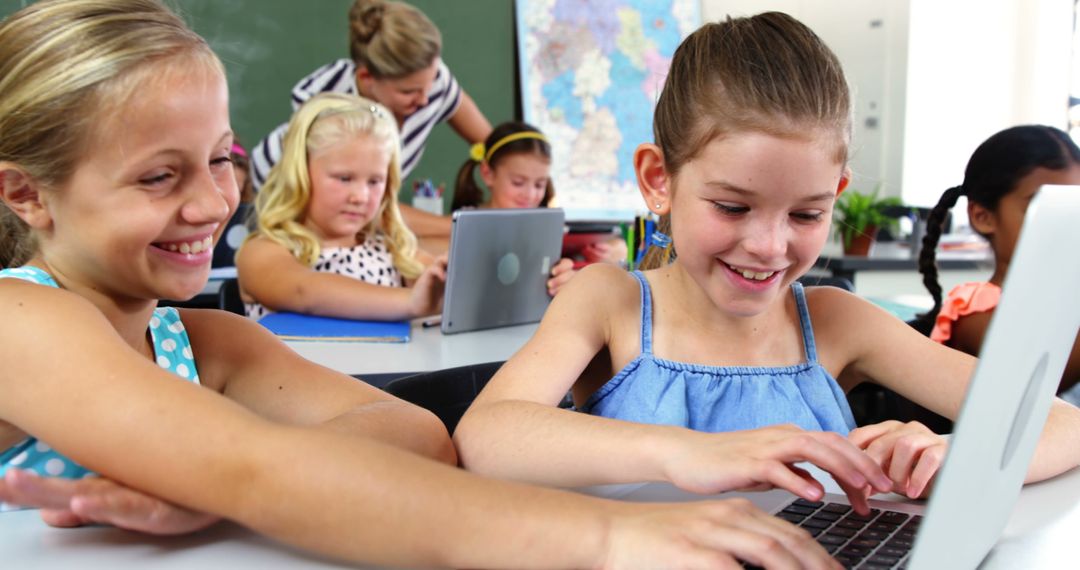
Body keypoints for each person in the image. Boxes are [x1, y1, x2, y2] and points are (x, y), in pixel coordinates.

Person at [0, 1, 869, 567]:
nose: (213, 202)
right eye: (159, 177)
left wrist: (217, 482)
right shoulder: (18, 317)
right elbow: (257, 468)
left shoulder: (203, 341)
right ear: (25, 192)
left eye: (222, 160)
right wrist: (610, 536)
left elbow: (415, 434)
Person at [454, 12, 1080, 506]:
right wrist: (686, 452)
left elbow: (1063, 424)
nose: (770, 246)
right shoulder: (609, 301)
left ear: (835, 195)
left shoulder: (837, 322)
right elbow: (486, 436)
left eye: (805, 215)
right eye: (732, 207)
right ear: (658, 180)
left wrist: (959, 455)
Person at [251, 0, 492, 242]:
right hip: (281, 214)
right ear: (366, 77)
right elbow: (362, 207)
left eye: (430, 84)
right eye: (408, 91)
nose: (424, 99)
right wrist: (464, 225)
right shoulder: (328, 109)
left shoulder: (432, 81)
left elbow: (496, 144)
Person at [236, 92, 447, 321]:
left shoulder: (395, 253)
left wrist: (445, 284)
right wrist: (412, 301)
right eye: (344, 178)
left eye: (374, 181)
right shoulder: (261, 252)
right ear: (300, 173)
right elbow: (305, 292)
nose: (361, 197)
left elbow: (443, 288)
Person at [914, 125, 1080, 404]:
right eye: (1042, 208)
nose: (1065, 225)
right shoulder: (973, 312)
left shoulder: (1064, 303)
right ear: (983, 217)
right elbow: (1040, 378)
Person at [453, 120, 630, 274]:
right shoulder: (465, 224)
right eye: (518, 183)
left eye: (539, 185)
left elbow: (621, 248)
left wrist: (606, 253)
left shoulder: (549, 227)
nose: (530, 195)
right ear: (488, 174)